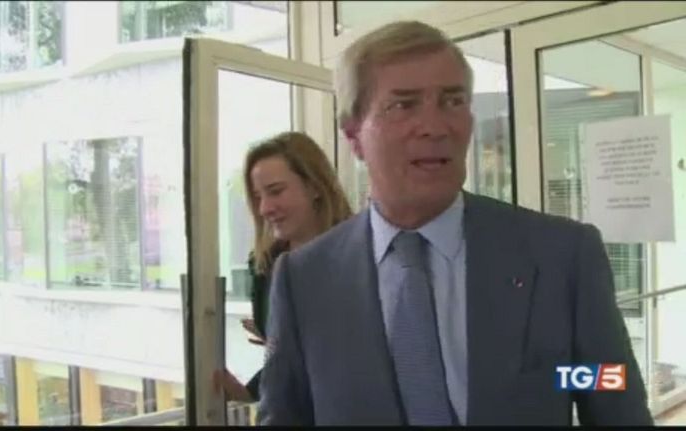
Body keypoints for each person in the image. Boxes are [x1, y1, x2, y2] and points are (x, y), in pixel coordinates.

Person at [257, 21, 653, 426]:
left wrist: (554, 379)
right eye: (404, 105)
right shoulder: (304, 280)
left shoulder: (561, 254)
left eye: (452, 101)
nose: (435, 126)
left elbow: (610, 389)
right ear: (354, 136)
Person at [214, 131, 353, 403]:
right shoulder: (265, 265)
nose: (265, 208)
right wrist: (250, 392)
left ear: (315, 187)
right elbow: (286, 362)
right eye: (258, 196)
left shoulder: (362, 257)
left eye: (276, 191)